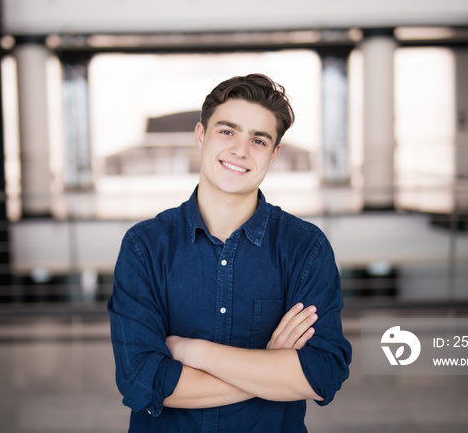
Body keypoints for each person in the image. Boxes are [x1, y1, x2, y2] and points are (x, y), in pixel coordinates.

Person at [108, 73, 352, 432]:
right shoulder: (145, 247)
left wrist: (195, 353)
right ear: (201, 135)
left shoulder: (305, 248)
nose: (240, 150)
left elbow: (322, 374)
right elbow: (143, 381)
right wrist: (270, 367)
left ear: (274, 153)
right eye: (227, 131)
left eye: (258, 140)